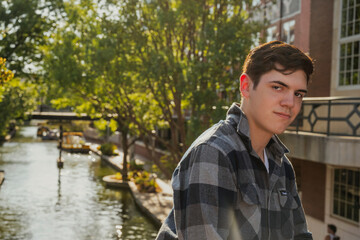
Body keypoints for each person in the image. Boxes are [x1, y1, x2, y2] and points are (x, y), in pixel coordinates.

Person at [156, 41, 314, 240]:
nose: (290, 103)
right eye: (277, 87)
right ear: (246, 87)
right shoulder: (214, 152)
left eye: (298, 94)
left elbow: (301, 235)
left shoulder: (282, 166)